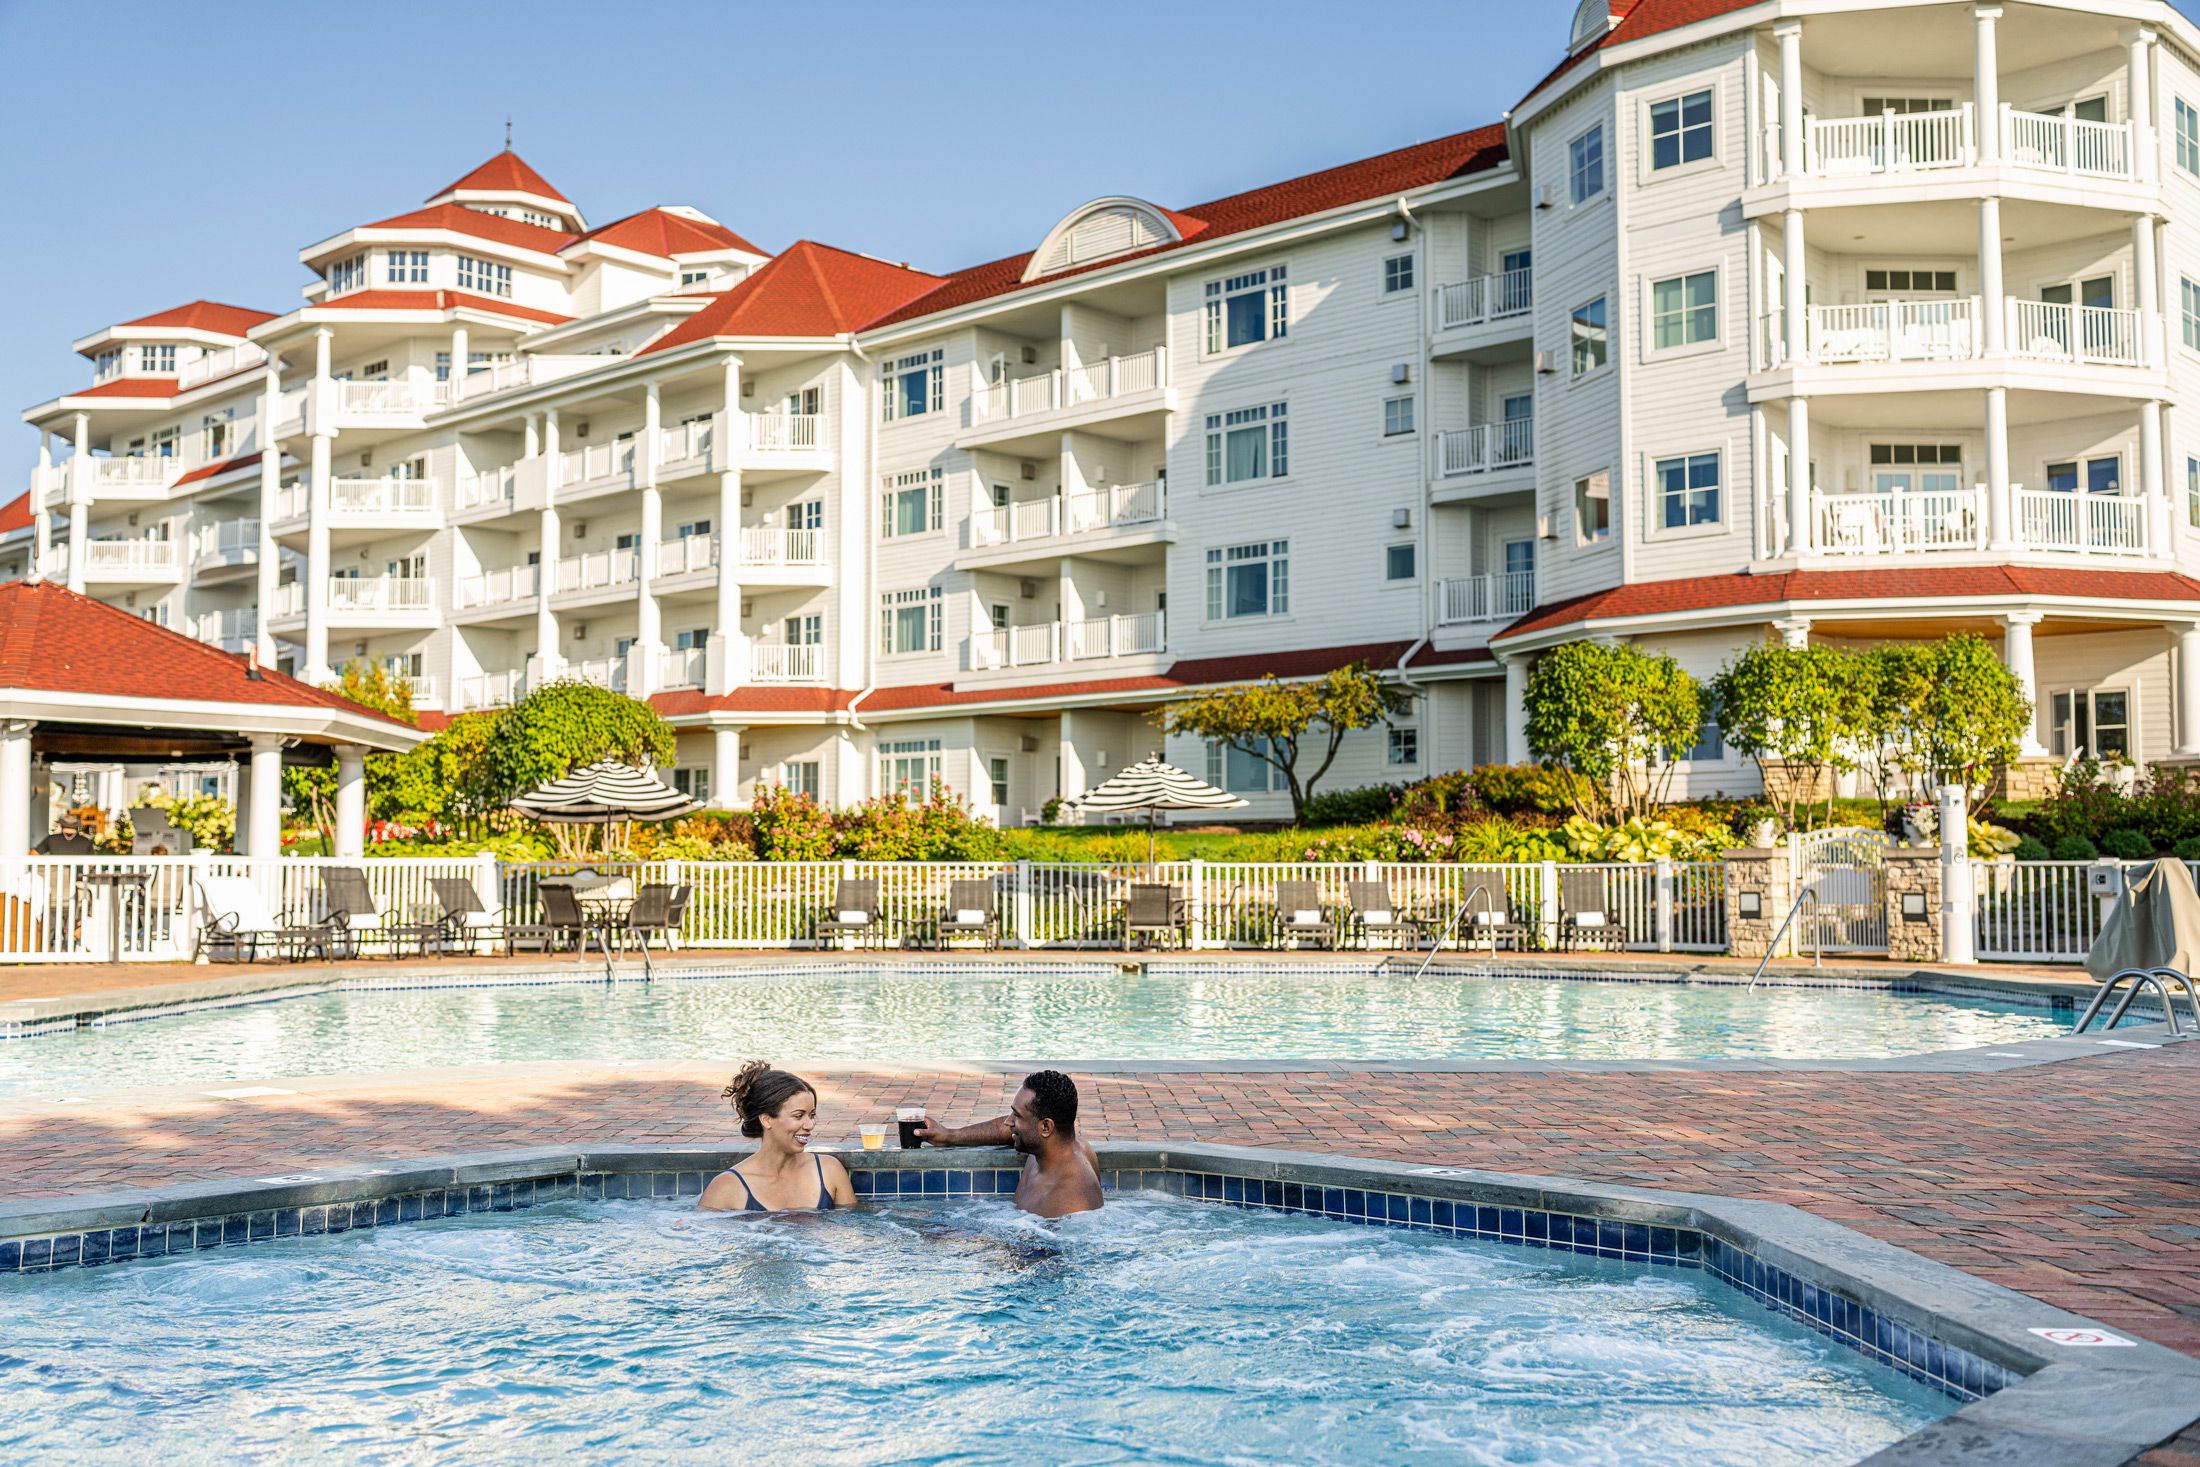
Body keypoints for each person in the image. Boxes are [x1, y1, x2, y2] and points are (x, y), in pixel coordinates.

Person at [917, 1070, 1102, 1219]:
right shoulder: (1052, 1146)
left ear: (1046, 1127)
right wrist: (949, 1135)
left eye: (1017, 1116)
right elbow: (1005, 1130)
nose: (1008, 1122)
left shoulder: (1067, 1202)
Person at [699, 1061, 856, 1214]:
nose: (810, 1125)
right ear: (766, 1120)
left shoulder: (829, 1170)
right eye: (798, 1116)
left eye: (812, 1115)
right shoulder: (727, 1188)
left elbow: (853, 1227)